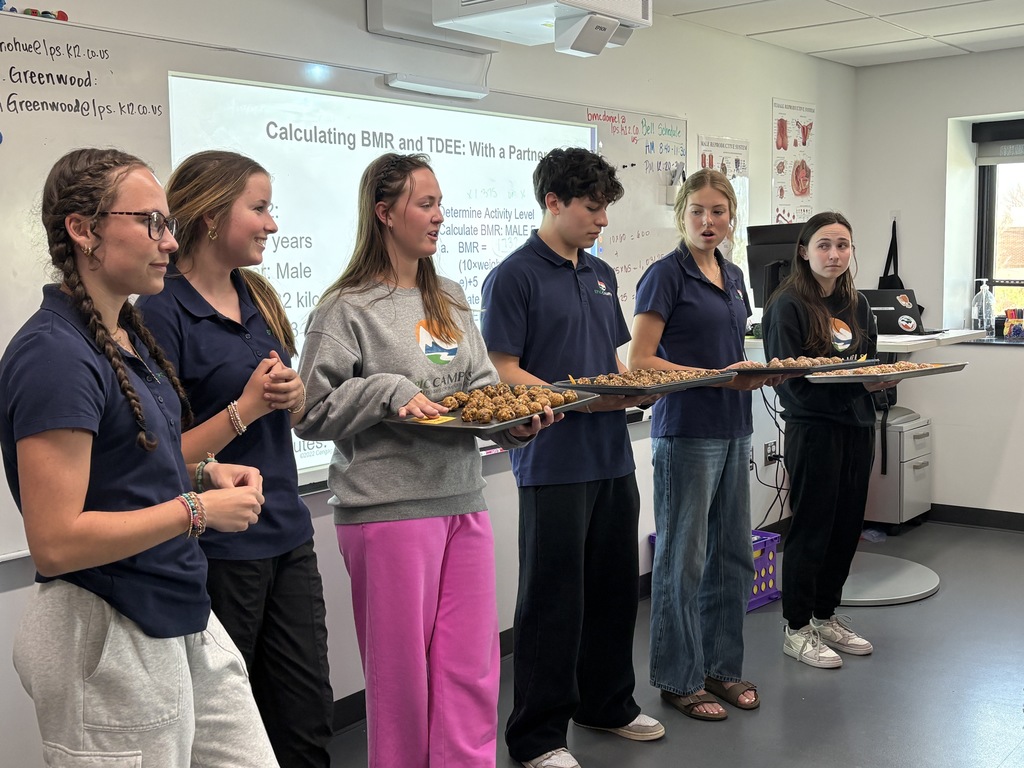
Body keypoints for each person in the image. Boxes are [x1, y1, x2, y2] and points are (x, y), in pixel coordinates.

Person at [0, 147, 279, 766]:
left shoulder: (125, 337)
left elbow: (127, 469)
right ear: (83, 230)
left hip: (176, 607)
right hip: (106, 626)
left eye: (169, 224)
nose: (170, 242)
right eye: (150, 223)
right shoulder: (55, 356)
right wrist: (196, 510)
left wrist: (202, 471)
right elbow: (57, 541)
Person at [295, 152, 557, 768]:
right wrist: (387, 391)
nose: (440, 216)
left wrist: (514, 426)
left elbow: (482, 388)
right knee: (402, 684)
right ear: (385, 214)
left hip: (462, 499)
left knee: (471, 672)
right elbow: (307, 412)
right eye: (426, 203)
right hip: (388, 512)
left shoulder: (452, 298)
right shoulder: (345, 308)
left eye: (441, 203)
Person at [136, 150, 334, 767]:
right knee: (228, 732)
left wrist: (294, 397)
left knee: (307, 716)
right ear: (211, 216)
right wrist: (244, 408)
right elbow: (159, 456)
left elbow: (286, 412)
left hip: (287, 533)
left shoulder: (259, 296)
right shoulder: (158, 312)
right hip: (218, 550)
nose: (272, 224)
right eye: (259, 208)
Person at [481, 147, 665, 768]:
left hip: (611, 455)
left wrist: (633, 386)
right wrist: (574, 399)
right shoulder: (513, 276)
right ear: (552, 202)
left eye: (606, 208)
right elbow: (503, 368)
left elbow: (611, 356)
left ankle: (607, 705)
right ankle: (537, 736)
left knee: (615, 592)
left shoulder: (600, 273)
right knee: (552, 599)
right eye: (591, 208)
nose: (602, 220)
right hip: (553, 459)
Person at [629, 168, 781, 721]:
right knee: (683, 560)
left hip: (733, 424)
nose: (708, 221)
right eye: (697, 210)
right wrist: (720, 376)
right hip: (686, 430)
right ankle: (678, 677)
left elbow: (730, 350)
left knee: (733, 556)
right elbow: (639, 362)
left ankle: (722, 668)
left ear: (731, 217)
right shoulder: (664, 276)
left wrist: (761, 374)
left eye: (718, 211)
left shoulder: (735, 275)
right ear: (681, 215)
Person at [761, 211, 894, 669]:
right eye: (824, 245)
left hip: (857, 426)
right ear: (804, 250)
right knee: (812, 527)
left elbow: (869, 362)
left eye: (842, 245)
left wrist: (878, 383)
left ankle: (825, 614)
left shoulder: (856, 303)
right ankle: (796, 628)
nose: (834, 254)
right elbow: (789, 382)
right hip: (814, 430)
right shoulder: (787, 305)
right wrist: (860, 386)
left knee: (845, 528)